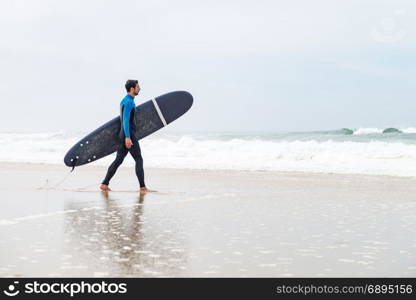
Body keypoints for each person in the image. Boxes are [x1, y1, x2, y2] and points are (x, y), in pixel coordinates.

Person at [100, 80, 150, 193]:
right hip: (129, 134)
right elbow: (126, 120)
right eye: (138, 87)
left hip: (122, 134)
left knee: (118, 160)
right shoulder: (129, 102)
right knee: (138, 159)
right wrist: (128, 137)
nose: (139, 89)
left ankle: (104, 183)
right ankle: (143, 187)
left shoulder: (124, 100)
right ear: (132, 89)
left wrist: (124, 136)